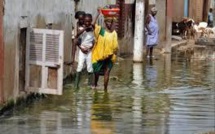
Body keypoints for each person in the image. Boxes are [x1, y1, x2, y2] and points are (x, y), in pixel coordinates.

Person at [91, 8, 119, 92]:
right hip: (99, 55)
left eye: (111, 22)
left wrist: (114, 53)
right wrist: (97, 14)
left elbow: (115, 46)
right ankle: (95, 84)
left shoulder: (114, 33)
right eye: (107, 22)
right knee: (96, 72)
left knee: (107, 72)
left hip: (110, 56)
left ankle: (105, 90)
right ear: (105, 22)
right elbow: (93, 24)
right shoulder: (101, 31)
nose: (109, 24)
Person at [74, 13, 95, 89]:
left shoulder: (92, 29)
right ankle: (76, 86)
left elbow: (93, 41)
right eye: (86, 21)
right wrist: (82, 49)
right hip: (82, 51)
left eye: (89, 21)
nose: (87, 23)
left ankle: (90, 85)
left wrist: (90, 48)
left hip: (89, 51)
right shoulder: (81, 29)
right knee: (79, 66)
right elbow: (77, 36)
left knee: (90, 67)